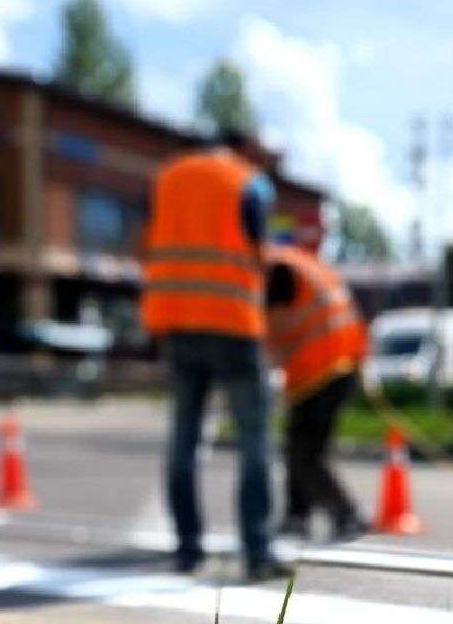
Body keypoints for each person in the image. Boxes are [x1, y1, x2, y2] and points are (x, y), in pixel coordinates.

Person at [141, 129, 289, 580]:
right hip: (233, 321)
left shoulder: (167, 178)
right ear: (244, 149)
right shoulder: (247, 180)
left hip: (176, 320)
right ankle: (257, 552)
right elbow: (260, 251)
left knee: (184, 439)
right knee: (254, 438)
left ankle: (188, 549)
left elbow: (145, 243)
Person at [264, 241, 369, 542]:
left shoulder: (276, 269)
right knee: (300, 447)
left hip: (321, 368)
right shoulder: (301, 264)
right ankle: (296, 517)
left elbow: (274, 320)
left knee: (304, 453)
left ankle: (347, 513)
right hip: (337, 364)